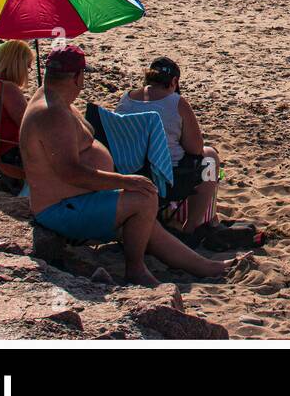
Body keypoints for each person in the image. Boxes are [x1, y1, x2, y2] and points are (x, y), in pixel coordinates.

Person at [18, 46, 237, 285]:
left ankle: (205, 267)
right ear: (77, 77)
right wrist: (124, 180)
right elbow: (70, 172)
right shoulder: (53, 113)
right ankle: (136, 269)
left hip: (73, 202)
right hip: (62, 210)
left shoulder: (52, 100)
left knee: (145, 218)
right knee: (143, 198)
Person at [117, 57, 219, 240]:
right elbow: (196, 149)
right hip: (167, 179)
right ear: (174, 82)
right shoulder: (176, 102)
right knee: (210, 157)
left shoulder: (126, 99)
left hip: (127, 172)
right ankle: (191, 228)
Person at [0, 40, 34, 151]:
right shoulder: (8, 89)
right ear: (17, 65)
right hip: (11, 149)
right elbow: (28, 126)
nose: (27, 72)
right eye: (27, 67)